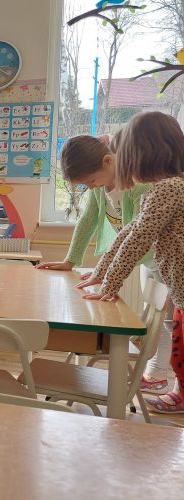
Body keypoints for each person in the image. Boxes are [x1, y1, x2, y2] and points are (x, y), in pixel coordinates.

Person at [35, 134, 171, 390]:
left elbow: (136, 238)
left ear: (108, 161)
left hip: (166, 258)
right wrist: (71, 260)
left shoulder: (139, 186)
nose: (91, 187)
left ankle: (162, 377)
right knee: (160, 316)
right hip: (148, 261)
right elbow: (87, 220)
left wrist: (108, 276)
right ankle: (156, 374)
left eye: (91, 180)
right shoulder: (101, 188)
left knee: (170, 321)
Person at [77, 111, 184, 414]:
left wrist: (110, 284)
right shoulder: (164, 188)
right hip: (180, 289)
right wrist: (101, 273)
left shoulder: (169, 188)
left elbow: (138, 239)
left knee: (180, 352)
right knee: (179, 352)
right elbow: (129, 232)